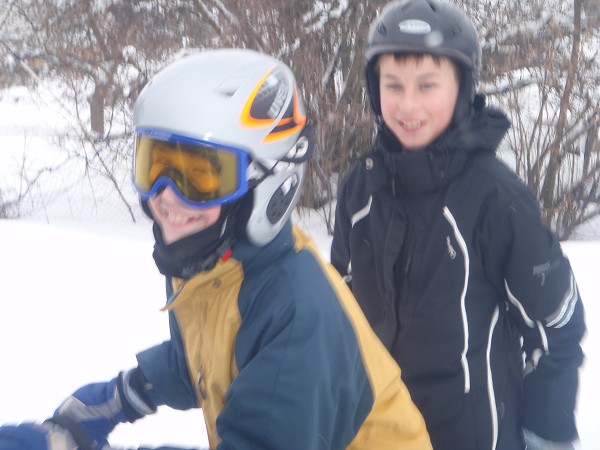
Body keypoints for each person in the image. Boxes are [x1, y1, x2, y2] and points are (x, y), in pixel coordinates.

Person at [0, 49, 432, 450]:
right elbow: (211, 351)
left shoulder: (299, 315)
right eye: (155, 164)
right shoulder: (215, 263)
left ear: (270, 182)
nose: (166, 196)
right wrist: (126, 394)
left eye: (200, 176)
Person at [330, 1, 586, 449]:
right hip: (374, 432)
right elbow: (338, 314)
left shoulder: (496, 198)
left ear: (463, 86)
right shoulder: (359, 189)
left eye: (427, 86)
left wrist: (545, 433)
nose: (408, 105)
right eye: (393, 86)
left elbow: (557, 323)